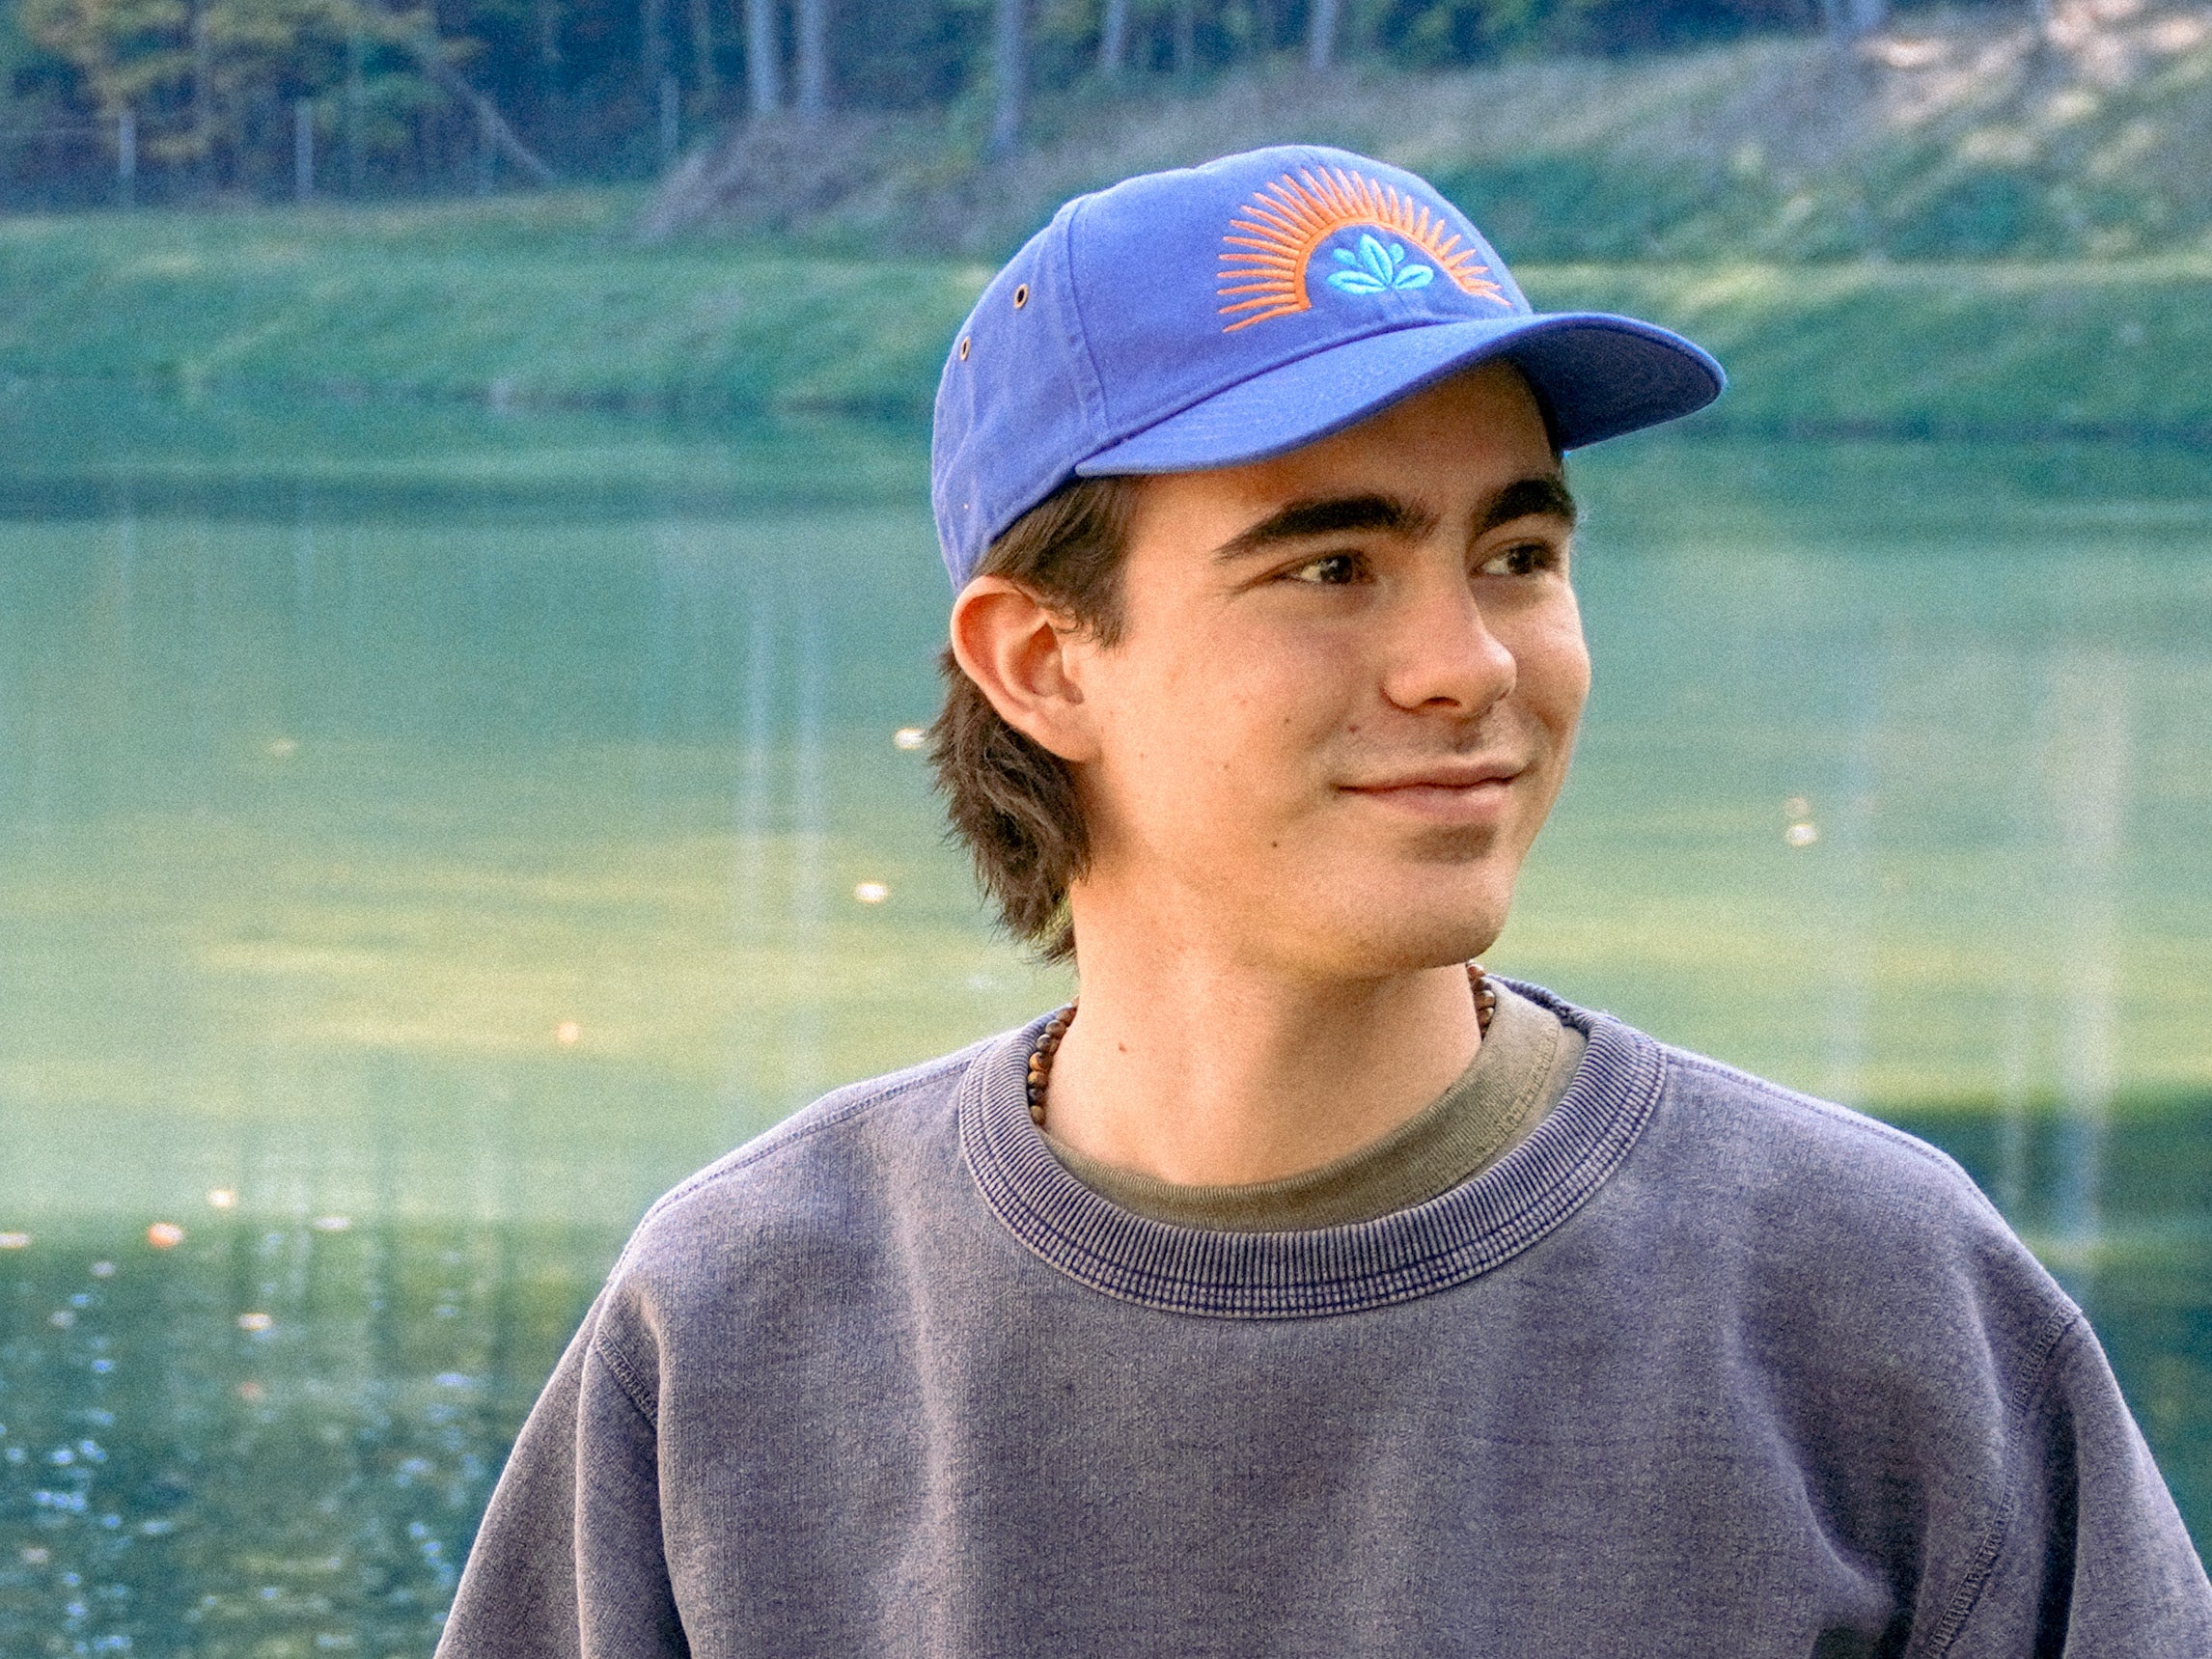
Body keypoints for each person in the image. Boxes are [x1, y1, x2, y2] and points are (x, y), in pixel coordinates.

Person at [436, 146, 2211, 1656]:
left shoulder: (1874, 1305)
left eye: (1516, 555)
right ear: (1043, 663)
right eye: (1333, 566)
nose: (1465, 663)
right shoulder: (742, 1328)